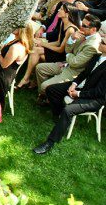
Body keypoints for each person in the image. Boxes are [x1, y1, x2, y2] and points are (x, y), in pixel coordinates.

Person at [33, 25, 106, 155]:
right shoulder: (97, 56)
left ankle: (49, 143)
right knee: (51, 90)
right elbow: (84, 73)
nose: (100, 42)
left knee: (68, 110)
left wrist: (77, 93)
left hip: (94, 98)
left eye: (104, 43)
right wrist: (74, 83)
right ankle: (59, 117)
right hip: (82, 87)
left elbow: (99, 92)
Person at [0, 24, 34, 106]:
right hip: (1, 70)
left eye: (17, 25)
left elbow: (4, 64)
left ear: (21, 30)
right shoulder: (16, 41)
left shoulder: (17, 47)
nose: (13, 25)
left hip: (0, 76)